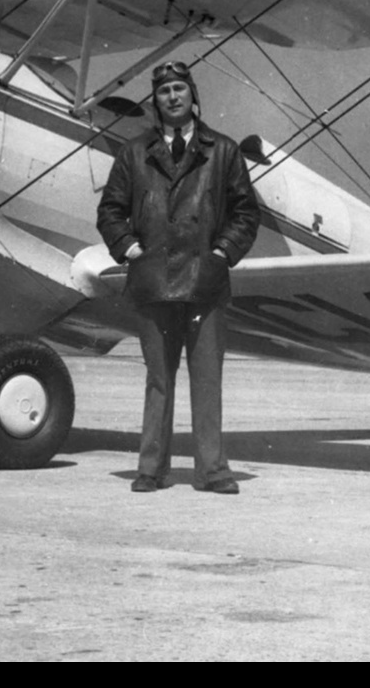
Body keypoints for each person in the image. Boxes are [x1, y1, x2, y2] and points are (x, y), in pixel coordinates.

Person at [97, 60, 260, 494]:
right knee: (158, 379)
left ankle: (214, 470)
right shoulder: (133, 153)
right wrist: (131, 249)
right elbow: (110, 211)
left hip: (204, 284)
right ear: (156, 100)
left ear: (193, 96)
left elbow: (246, 211)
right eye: (164, 90)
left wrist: (222, 253)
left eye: (179, 89)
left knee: (207, 380)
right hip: (152, 282)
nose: (172, 96)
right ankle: (151, 469)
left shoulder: (223, 151)